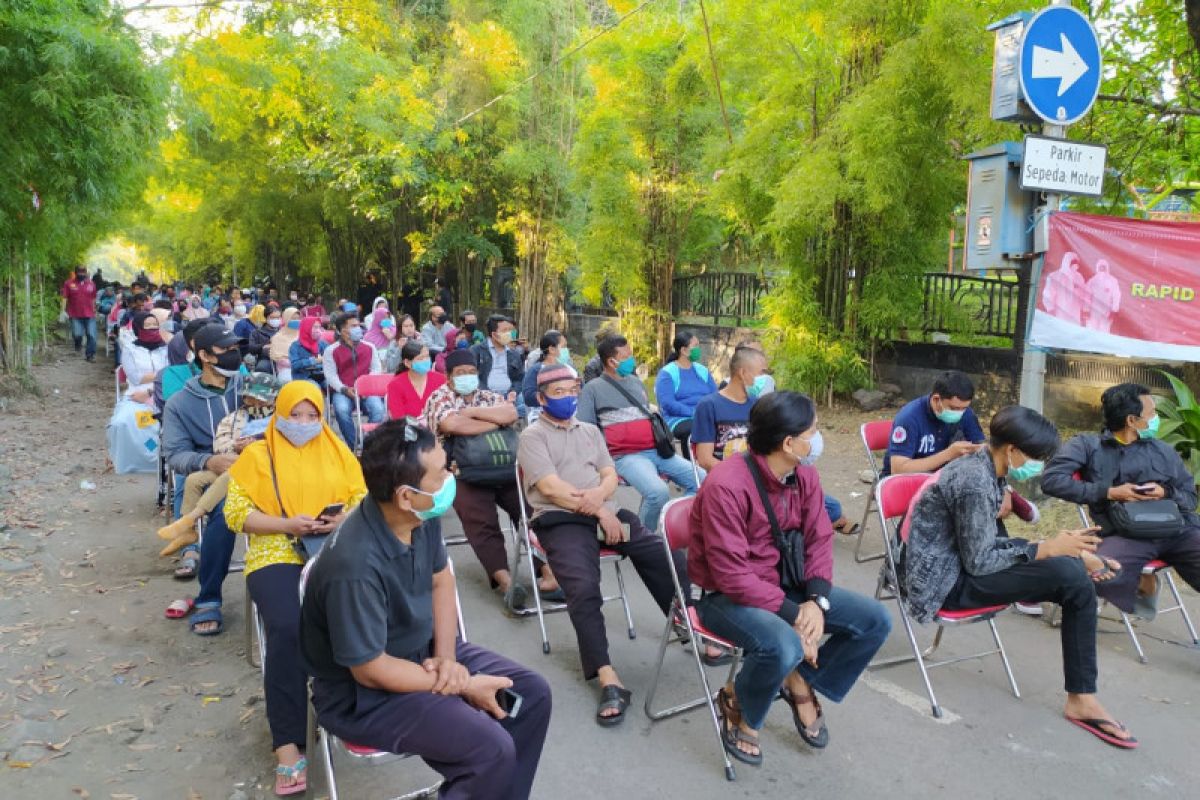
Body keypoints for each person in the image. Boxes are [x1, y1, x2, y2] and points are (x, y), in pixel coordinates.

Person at [300, 420, 551, 800]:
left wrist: (447, 659)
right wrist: (462, 683)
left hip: (421, 652)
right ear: (405, 494)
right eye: (442, 473)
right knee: (489, 751)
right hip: (361, 693)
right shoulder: (352, 566)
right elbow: (370, 669)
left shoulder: (420, 515)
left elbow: (441, 580)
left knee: (531, 695)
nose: (452, 476)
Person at [906, 405, 1136, 749]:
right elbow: (980, 560)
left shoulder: (989, 468)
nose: (1039, 464)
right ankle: (1081, 699)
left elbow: (983, 540)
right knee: (1070, 577)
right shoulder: (974, 479)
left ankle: (1082, 695)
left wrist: (1060, 548)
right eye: (1036, 456)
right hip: (945, 582)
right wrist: (1047, 549)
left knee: (1070, 571)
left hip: (962, 561)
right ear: (1012, 450)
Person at [689, 391, 892, 764]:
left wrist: (816, 601)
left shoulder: (804, 476)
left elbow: (819, 538)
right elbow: (732, 576)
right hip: (725, 598)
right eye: (812, 432)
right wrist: (795, 615)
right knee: (784, 644)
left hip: (789, 584)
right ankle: (741, 710)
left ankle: (798, 680)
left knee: (874, 620)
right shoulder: (726, 486)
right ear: (788, 443)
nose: (816, 440)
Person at [519, 366, 690, 725]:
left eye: (573, 389)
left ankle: (686, 620)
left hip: (604, 517)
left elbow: (610, 474)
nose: (568, 396)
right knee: (582, 586)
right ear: (541, 398)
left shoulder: (591, 431)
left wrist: (601, 505)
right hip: (562, 521)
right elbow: (550, 489)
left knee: (659, 553)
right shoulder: (532, 436)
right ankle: (607, 674)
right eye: (559, 391)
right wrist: (599, 509)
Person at [226, 380, 367, 794]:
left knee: (360, 614)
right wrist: (287, 524)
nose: (304, 423)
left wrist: (339, 520)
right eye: (295, 415)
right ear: (279, 414)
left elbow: (362, 497)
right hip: (276, 552)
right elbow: (237, 514)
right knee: (289, 629)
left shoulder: (338, 450)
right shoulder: (257, 454)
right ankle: (288, 743)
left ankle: (355, 708)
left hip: (332, 548)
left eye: (312, 415)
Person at [1042, 382, 1200, 621]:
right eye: (1152, 414)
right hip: (1123, 535)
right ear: (1131, 420)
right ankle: (1140, 585)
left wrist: (1165, 492)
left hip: (1177, 529)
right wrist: (1108, 492)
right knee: (1097, 574)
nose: (1156, 418)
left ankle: (1143, 581)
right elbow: (1052, 480)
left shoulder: (1164, 450)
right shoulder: (1088, 446)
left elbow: (1190, 498)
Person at [426, 349, 558, 605]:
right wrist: (492, 421)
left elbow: (510, 414)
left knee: (532, 512)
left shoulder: (488, 394)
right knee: (482, 522)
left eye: (471, 372)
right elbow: (453, 426)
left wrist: (468, 413)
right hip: (463, 472)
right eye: (460, 373)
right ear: (449, 378)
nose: (467, 377)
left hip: (504, 466)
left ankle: (547, 571)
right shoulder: (439, 398)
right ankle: (506, 581)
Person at [161, 325, 245, 630]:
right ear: (204, 356)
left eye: (237, 348)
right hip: (218, 479)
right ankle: (209, 597)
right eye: (226, 350)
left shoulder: (252, 389)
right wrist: (209, 460)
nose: (235, 355)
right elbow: (176, 455)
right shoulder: (180, 404)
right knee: (224, 513)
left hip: (264, 470)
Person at [577, 335, 698, 532]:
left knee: (703, 481)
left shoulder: (635, 382)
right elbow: (586, 430)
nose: (631, 359)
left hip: (658, 450)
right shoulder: (592, 389)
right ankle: (646, 540)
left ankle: (672, 521)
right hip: (626, 456)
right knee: (658, 492)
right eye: (626, 356)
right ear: (611, 362)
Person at [156, 372, 281, 559]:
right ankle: (188, 532)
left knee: (229, 477)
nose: (255, 404)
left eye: (260, 400)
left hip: (263, 469)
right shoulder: (235, 418)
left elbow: (284, 447)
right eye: (250, 398)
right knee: (193, 480)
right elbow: (219, 442)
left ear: (273, 400)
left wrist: (257, 447)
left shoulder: (280, 420)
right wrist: (234, 445)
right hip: (232, 462)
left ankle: (191, 517)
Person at [884, 370, 986, 476]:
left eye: (964, 408)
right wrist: (948, 454)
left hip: (942, 479)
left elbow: (980, 448)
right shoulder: (909, 418)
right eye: (954, 408)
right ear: (936, 399)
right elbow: (898, 469)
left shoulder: (966, 413)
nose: (959, 413)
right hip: (903, 482)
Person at [107, 312, 171, 475]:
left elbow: (172, 374)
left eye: (155, 325)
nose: (152, 328)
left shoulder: (167, 348)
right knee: (122, 423)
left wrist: (154, 386)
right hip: (136, 395)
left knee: (164, 422)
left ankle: (157, 460)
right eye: (147, 325)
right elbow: (135, 378)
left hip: (164, 392)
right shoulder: (130, 348)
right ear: (138, 328)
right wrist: (163, 374)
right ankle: (130, 460)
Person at [322, 312, 385, 448]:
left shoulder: (369, 347)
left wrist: (366, 386)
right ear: (342, 330)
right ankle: (355, 446)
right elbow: (330, 375)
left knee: (379, 410)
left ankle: (366, 442)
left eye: (358, 325)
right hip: (344, 390)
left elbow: (376, 369)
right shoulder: (331, 351)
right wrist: (344, 389)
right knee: (341, 409)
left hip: (367, 390)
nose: (359, 328)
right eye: (354, 326)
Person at [655, 332, 717, 462]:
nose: (699, 349)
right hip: (677, 418)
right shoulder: (667, 373)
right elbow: (668, 403)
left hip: (703, 415)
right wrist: (694, 413)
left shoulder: (702, 370)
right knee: (696, 428)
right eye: (695, 346)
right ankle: (694, 471)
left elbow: (714, 395)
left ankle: (716, 467)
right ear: (683, 350)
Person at [472, 314, 526, 415]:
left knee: (527, 408)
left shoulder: (514, 354)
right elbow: (473, 377)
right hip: (484, 395)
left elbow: (519, 378)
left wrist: (514, 391)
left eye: (510, 330)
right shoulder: (477, 351)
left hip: (509, 395)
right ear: (494, 334)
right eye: (505, 330)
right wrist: (489, 395)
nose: (510, 334)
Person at [521, 330, 574, 421]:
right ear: (552, 349)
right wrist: (553, 398)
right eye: (563, 346)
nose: (566, 350)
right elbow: (528, 397)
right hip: (542, 417)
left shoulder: (570, 369)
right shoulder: (536, 370)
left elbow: (581, 390)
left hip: (570, 416)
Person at [386, 341, 445, 420]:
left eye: (427, 356)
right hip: (408, 429)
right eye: (420, 358)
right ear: (407, 363)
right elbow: (398, 418)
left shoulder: (441, 380)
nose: (426, 360)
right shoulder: (396, 385)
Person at [61, 265, 99, 361]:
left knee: (92, 335)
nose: (81, 274)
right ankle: (78, 344)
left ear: (86, 273)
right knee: (77, 334)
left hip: (90, 314)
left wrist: (95, 310)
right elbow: (65, 297)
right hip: (75, 314)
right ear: (76, 273)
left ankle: (90, 355)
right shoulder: (68, 284)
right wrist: (62, 311)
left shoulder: (91, 284)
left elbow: (94, 298)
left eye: (83, 272)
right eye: (79, 272)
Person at [289, 317, 326, 387]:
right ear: (306, 328)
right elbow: (294, 365)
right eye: (315, 327)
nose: (318, 330)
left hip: (322, 375)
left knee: (331, 385)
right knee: (314, 387)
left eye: (319, 327)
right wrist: (313, 361)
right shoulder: (295, 346)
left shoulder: (322, 344)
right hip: (303, 377)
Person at [268, 307, 300, 380]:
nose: (297, 321)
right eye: (293, 319)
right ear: (286, 319)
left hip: (305, 368)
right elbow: (279, 359)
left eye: (298, 318)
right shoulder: (277, 338)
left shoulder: (303, 335)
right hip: (286, 370)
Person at [248, 306, 282, 373]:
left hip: (282, 359)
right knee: (262, 367)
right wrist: (265, 345)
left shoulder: (283, 331)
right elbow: (251, 348)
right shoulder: (257, 332)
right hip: (265, 359)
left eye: (278, 318)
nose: (276, 320)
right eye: (272, 318)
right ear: (266, 318)